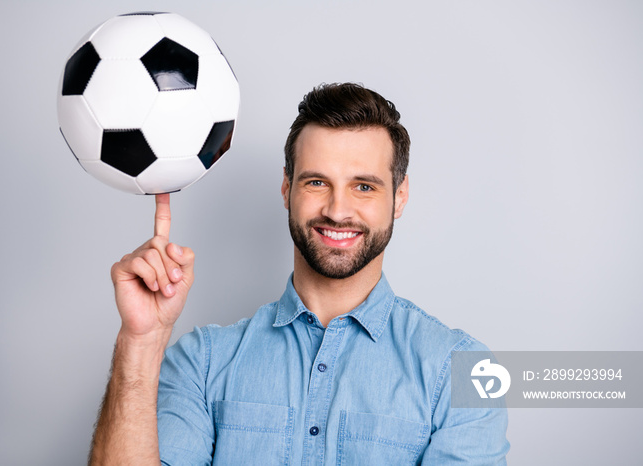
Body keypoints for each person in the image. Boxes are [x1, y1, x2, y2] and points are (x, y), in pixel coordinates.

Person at [89, 83, 509, 465]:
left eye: (364, 186)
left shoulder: (462, 371)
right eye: (316, 183)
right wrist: (140, 343)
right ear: (287, 189)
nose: (337, 209)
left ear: (398, 198)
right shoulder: (201, 364)